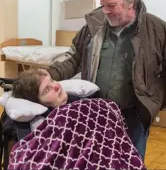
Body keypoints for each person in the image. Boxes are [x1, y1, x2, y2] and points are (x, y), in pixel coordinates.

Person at [40, 0, 166, 160]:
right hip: (95, 113)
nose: (105, 11)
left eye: (112, 6)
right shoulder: (93, 27)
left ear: (130, 3)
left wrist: (160, 96)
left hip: (133, 115)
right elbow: (74, 58)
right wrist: (47, 74)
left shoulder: (156, 29)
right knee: (95, 160)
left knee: (130, 161)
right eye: (103, 5)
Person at [8, 69, 146, 170]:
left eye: (52, 80)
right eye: (46, 90)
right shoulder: (48, 120)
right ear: (37, 102)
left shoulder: (89, 102)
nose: (56, 86)